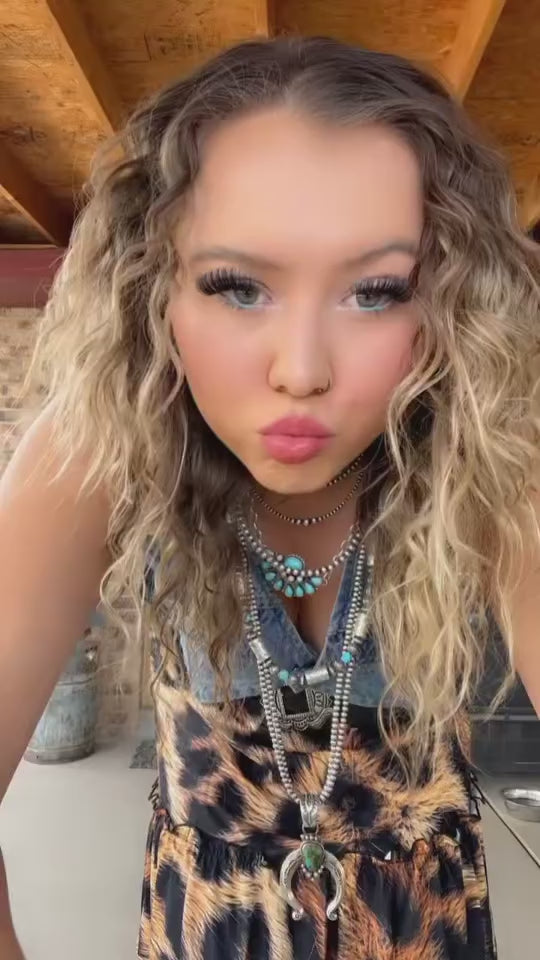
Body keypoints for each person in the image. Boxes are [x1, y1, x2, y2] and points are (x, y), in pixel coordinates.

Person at [1, 34, 539, 960]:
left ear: (450, 301)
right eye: (238, 286)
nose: (301, 370)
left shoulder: (495, 455)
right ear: (155, 289)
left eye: (377, 291)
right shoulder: (100, 446)